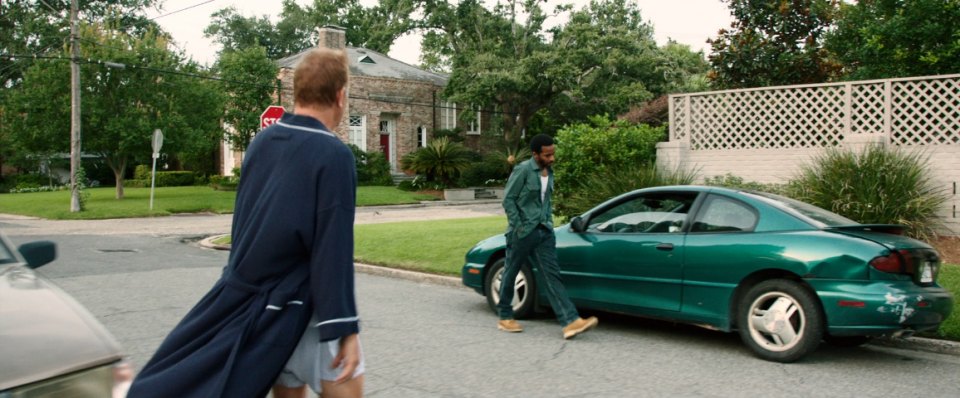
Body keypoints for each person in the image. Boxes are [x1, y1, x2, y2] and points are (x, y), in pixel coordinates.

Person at [128, 48, 363, 398]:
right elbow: (333, 250)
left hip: (259, 318)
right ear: (341, 96)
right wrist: (346, 328)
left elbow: (244, 227)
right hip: (305, 308)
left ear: (296, 91)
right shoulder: (334, 155)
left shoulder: (262, 142)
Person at [497, 133, 598, 339]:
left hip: (544, 232)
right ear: (535, 154)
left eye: (553, 154)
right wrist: (520, 227)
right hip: (523, 232)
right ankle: (505, 316)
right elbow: (509, 200)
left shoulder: (549, 172)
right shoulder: (523, 170)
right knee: (511, 271)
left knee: (552, 275)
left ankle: (570, 321)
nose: (551, 158)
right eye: (547, 155)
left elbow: (545, 202)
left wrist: (549, 224)